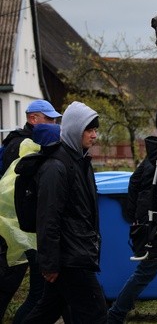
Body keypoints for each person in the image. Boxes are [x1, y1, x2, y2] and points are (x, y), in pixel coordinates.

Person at [23, 101, 107, 323]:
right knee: (96, 311)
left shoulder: (80, 161)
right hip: (69, 258)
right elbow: (48, 219)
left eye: (95, 129)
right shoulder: (56, 167)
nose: (94, 135)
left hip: (74, 252)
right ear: (74, 130)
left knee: (48, 310)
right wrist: (49, 264)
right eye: (89, 130)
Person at [107, 107, 157, 324]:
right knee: (147, 272)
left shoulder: (152, 154)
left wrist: (133, 216)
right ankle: (116, 314)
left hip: (154, 224)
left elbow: (134, 182)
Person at [0, 100, 61, 322]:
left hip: (23, 228)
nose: (54, 123)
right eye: (49, 119)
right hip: (17, 229)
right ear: (33, 119)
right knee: (28, 290)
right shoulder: (22, 144)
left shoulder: (24, 141)